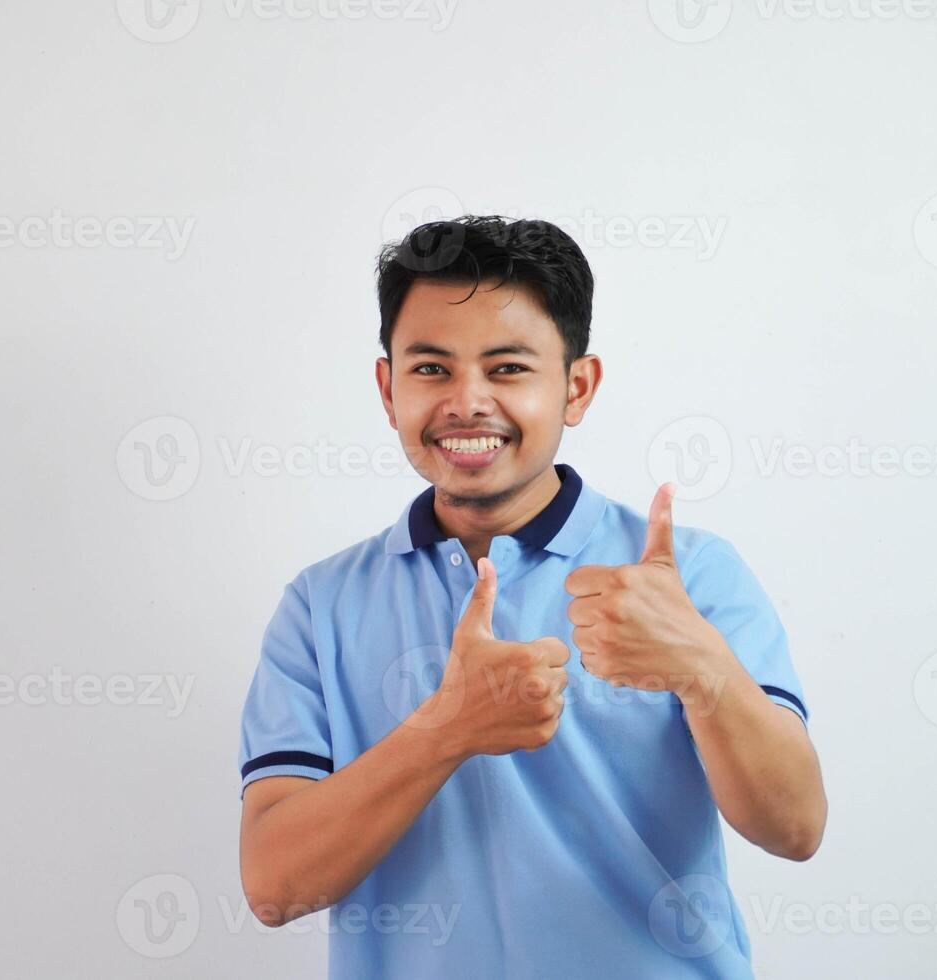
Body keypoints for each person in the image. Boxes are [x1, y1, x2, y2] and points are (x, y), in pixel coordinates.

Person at [236, 215, 827, 979]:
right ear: (388, 390)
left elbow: (795, 828)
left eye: (508, 368)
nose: (467, 402)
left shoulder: (692, 578)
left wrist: (700, 667)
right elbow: (274, 888)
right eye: (431, 369)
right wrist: (447, 728)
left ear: (576, 387)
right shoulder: (319, 607)